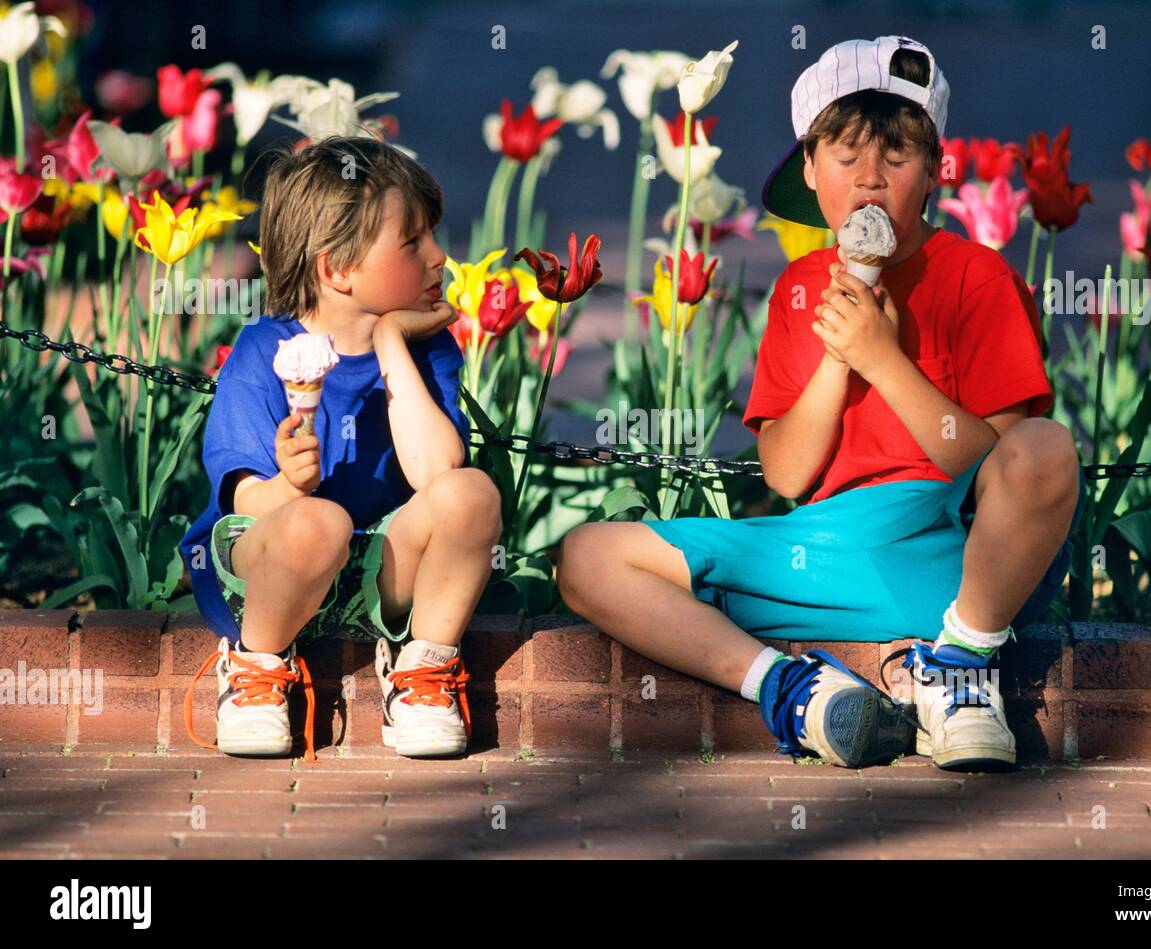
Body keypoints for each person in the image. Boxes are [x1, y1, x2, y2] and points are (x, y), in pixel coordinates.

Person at [557, 36, 1085, 772]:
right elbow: (785, 474)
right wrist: (840, 360)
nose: (871, 180)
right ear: (810, 171)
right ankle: (790, 690)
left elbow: (1000, 460)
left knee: (1049, 446)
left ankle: (962, 665)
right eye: (845, 158)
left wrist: (884, 358)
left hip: (947, 555)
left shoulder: (977, 277)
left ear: (934, 171)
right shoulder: (799, 287)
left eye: (897, 159)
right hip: (817, 550)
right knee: (588, 556)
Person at [178, 137, 502, 762]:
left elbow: (440, 474)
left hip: (380, 570)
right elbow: (244, 497)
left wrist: (390, 342)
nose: (440, 257)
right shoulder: (261, 353)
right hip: (274, 567)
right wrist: (289, 487)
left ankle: (423, 672)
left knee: (474, 493)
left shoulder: (426, 350)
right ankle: (257, 665)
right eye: (414, 242)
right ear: (337, 270)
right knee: (317, 521)